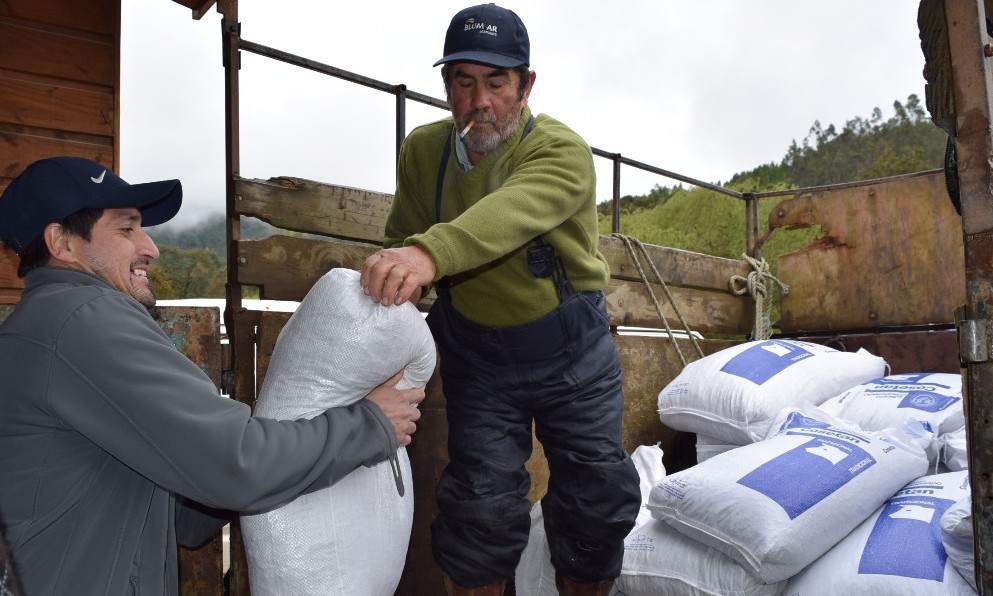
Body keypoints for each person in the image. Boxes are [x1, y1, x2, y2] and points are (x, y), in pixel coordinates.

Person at [0, 156, 425, 596]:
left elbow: (185, 515)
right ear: (62, 243)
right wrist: (369, 425)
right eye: (126, 229)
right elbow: (236, 464)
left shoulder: (46, 327)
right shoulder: (82, 321)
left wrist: (263, 446)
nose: (151, 247)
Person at [359, 4, 641, 595]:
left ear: (525, 86)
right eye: (464, 82)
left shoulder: (560, 153)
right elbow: (402, 238)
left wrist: (427, 256)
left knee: (596, 500)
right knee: (478, 512)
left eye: (496, 82)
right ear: (448, 88)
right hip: (477, 356)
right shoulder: (423, 153)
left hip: (573, 351)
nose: (479, 100)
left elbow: (506, 215)